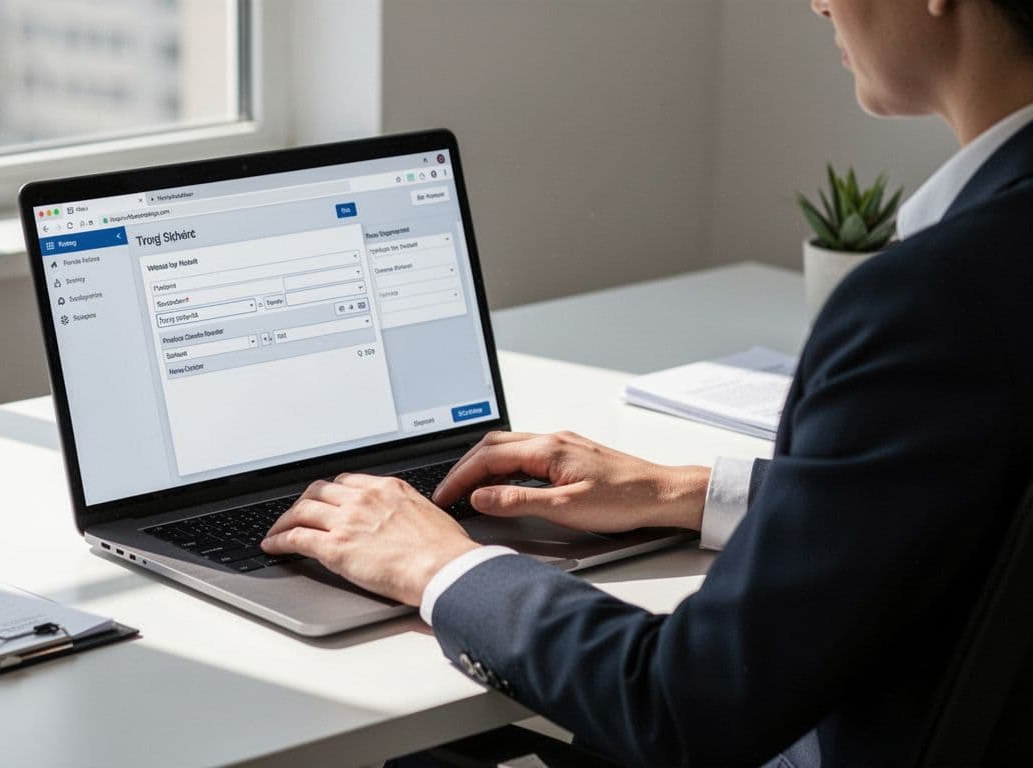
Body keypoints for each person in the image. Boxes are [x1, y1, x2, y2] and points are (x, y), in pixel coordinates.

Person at [260, 0, 1033, 765]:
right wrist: (688, 492)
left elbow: (685, 706)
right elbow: (961, 485)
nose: (819, 3)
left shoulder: (933, 298)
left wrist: (441, 566)